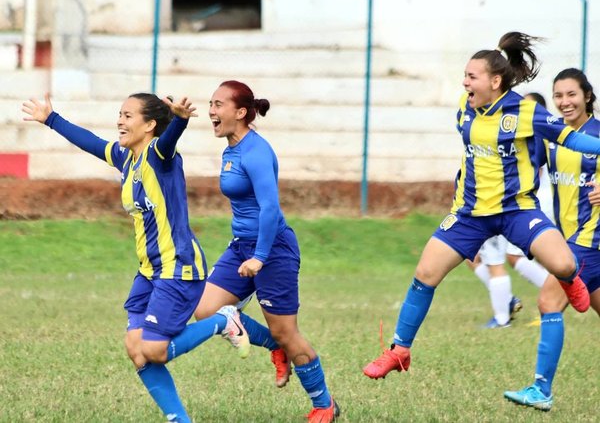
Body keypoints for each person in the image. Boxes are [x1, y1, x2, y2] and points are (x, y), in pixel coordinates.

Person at [362, 32, 598, 383]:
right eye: (465, 76)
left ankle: (570, 280)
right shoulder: (464, 107)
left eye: (472, 76)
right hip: (469, 214)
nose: (465, 82)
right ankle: (398, 351)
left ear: (495, 81)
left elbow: (572, 139)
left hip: (516, 210)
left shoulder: (525, 111)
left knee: (565, 263)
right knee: (425, 275)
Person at [22, 92, 250, 423]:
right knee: (136, 349)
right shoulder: (125, 158)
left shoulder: (159, 155)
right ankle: (179, 420)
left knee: (155, 350)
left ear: (150, 125)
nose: (120, 121)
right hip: (149, 271)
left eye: (128, 116)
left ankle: (223, 321)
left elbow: (170, 138)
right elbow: (90, 142)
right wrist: (51, 119)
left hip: (178, 267)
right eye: (120, 114)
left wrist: (182, 119)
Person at [193, 80, 339, 422]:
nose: (211, 112)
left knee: (286, 332)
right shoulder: (231, 147)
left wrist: (259, 256)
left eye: (218, 105)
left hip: (272, 248)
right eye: (210, 104)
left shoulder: (256, 151)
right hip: (242, 246)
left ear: (240, 112)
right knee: (205, 309)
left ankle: (324, 405)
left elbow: (270, 208)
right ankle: (275, 348)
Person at [504, 68, 600, 411]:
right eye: (558, 96)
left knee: (548, 302)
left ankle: (542, 390)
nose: (564, 102)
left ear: (587, 96)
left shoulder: (598, 136)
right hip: (569, 239)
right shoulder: (553, 138)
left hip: (588, 241)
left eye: (572, 94)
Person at [466, 92, 551, 329]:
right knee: (470, 255)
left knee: (501, 259)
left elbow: (535, 172)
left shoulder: (532, 135)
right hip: (508, 203)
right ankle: (508, 300)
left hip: (514, 205)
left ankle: (504, 317)